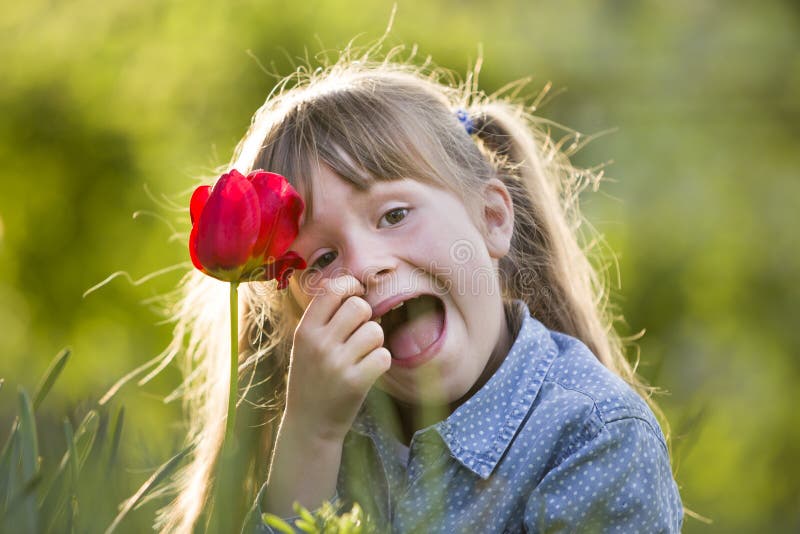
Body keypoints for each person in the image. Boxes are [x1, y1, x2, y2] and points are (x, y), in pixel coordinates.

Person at [157, 51, 683, 533]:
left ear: (492, 218)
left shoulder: (595, 439)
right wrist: (310, 440)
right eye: (322, 258)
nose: (364, 266)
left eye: (394, 214)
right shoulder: (319, 439)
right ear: (295, 316)